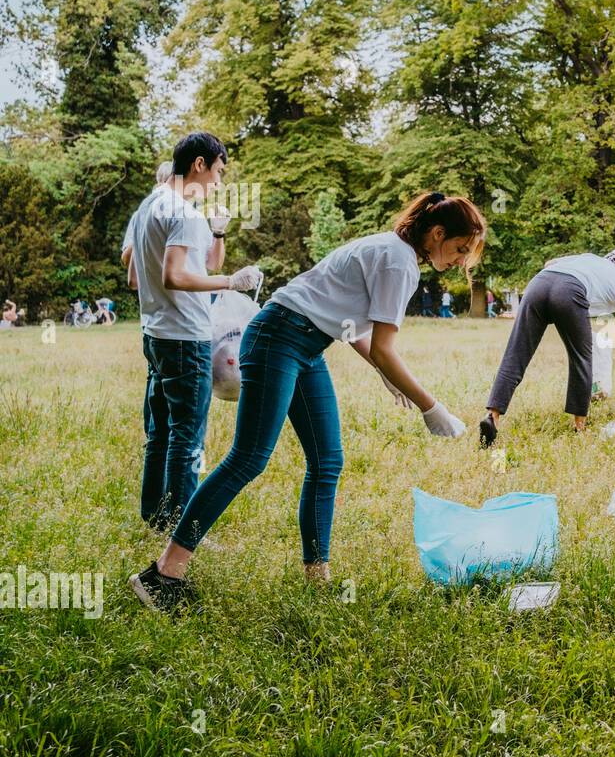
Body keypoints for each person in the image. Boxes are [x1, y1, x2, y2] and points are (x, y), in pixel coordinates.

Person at [129, 191, 485, 612]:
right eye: (460, 249)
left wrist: (382, 371)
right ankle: (162, 575)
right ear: (437, 233)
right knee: (248, 458)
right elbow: (385, 348)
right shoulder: (398, 261)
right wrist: (432, 407)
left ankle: (318, 582)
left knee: (326, 461)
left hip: (304, 345)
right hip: (278, 337)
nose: (461, 261)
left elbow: (349, 323)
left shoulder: (390, 250)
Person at [130, 132, 261, 531]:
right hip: (186, 338)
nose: (219, 182)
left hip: (155, 334)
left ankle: (155, 516)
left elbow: (139, 274)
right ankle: (182, 530)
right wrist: (229, 282)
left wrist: (217, 234)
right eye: (218, 171)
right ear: (199, 165)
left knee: (161, 432)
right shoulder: (183, 213)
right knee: (187, 438)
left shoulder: (151, 205)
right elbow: (174, 275)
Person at [479, 244, 615, 447]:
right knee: (582, 358)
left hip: (538, 284)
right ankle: (580, 428)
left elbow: (549, 263)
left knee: (516, 353)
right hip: (569, 291)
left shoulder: (591, 260)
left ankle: (493, 416)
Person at [123, 160, 175, 290]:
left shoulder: (181, 213)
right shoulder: (140, 215)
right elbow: (125, 259)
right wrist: (142, 236)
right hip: (151, 289)